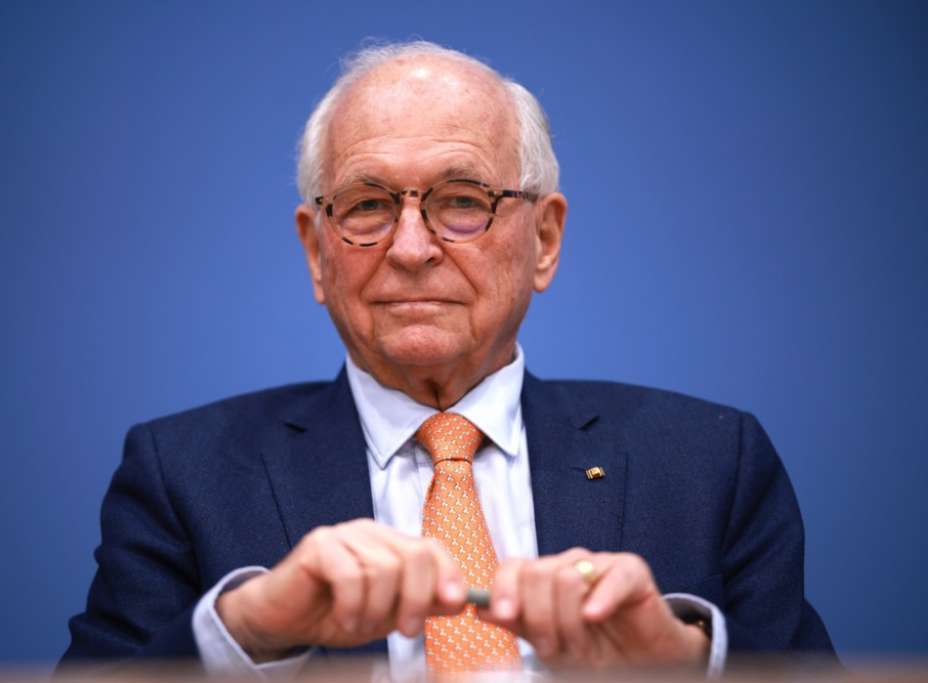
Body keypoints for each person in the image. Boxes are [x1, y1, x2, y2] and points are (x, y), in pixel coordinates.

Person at [60, 41, 835, 678]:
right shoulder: (183, 473)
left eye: (462, 200)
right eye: (367, 205)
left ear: (545, 239)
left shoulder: (708, 462)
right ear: (316, 252)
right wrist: (247, 629)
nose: (410, 248)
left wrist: (682, 661)